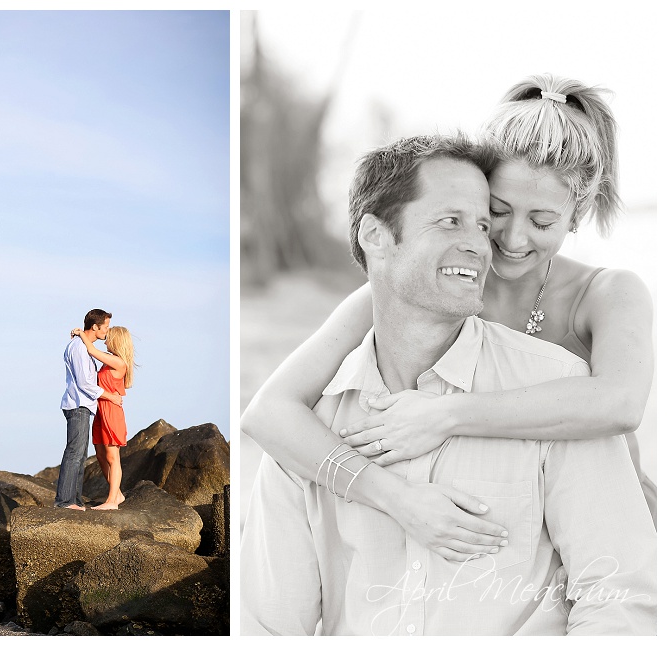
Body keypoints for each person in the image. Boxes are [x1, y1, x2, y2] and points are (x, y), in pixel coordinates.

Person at [240, 134, 656, 635]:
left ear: (574, 219)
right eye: (460, 219)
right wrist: (393, 495)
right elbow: (267, 627)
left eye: (483, 223)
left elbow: (619, 601)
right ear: (376, 236)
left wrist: (447, 414)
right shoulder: (310, 427)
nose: (497, 242)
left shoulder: (565, 376)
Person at [56, 309, 122, 511]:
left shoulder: (83, 346)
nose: (107, 332)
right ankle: (65, 501)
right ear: (95, 327)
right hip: (78, 405)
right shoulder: (79, 348)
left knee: (80, 455)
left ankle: (74, 500)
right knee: (75, 453)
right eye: (106, 327)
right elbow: (85, 383)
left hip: (83, 406)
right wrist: (110, 396)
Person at [72, 325, 136, 510]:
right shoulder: (109, 363)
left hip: (112, 412)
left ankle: (111, 502)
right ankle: (117, 494)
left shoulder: (119, 362)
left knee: (112, 456)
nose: (105, 339)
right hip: (101, 410)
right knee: (100, 455)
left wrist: (81, 334)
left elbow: (91, 350)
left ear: (116, 340)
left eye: (109, 337)